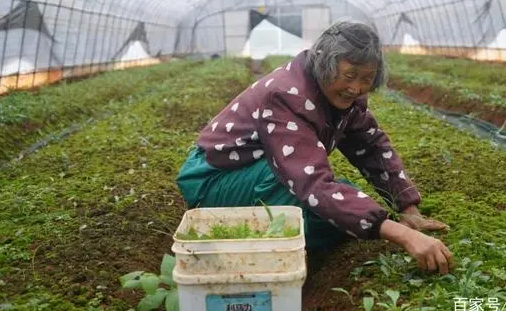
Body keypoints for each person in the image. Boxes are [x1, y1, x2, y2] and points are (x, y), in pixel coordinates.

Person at [176, 19, 454, 274]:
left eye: (366, 78)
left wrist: (408, 210)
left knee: (344, 203)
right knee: (322, 207)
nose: (356, 88)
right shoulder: (286, 95)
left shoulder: (347, 99)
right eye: (349, 75)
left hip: (254, 175)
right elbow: (311, 183)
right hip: (214, 181)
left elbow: (371, 147)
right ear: (325, 64)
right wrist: (402, 234)